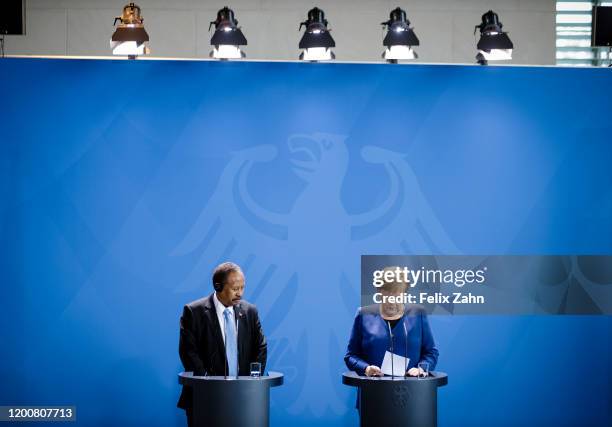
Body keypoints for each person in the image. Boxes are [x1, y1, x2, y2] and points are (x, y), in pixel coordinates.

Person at [177, 262, 267, 425]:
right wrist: (208, 385)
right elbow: (188, 352)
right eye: (235, 288)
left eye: (243, 287)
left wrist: (252, 384)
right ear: (218, 286)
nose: (240, 293)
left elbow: (260, 347)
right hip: (204, 398)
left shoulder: (250, 311)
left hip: (244, 398)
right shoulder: (193, 312)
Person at [344, 267, 439, 379]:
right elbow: (350, 356)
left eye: (397, 295)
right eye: (388, 294)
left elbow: (431, 353)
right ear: (379, 291)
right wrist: (366, 368)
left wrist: (421, 369)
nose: (392, 300)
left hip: (412, 391)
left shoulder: (418, 314)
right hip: (372, 390)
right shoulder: (363, 315)